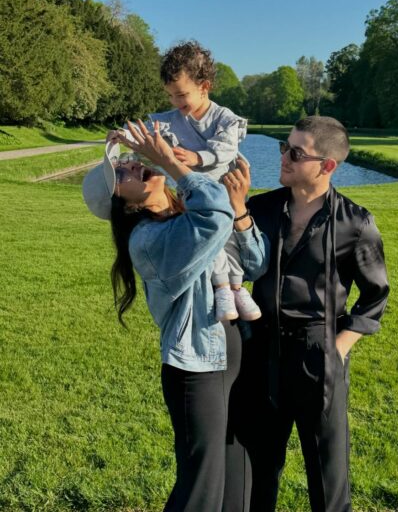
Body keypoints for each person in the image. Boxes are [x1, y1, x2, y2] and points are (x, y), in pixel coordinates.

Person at [81, 119, 268, 512]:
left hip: (232, 351)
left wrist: (240, 210)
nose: (133, 166)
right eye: (121, 174)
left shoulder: (184, 212)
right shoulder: (148, 241)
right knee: (201, 488)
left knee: (235, 469)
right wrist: (169, 161)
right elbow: (212, 216)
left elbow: (253, 265)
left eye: (129, 162)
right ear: (125, 203)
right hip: (197, 368)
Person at [235, 116, 390, 512]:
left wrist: (339, 347)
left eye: (296, 152)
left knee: (327, 471)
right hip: (260, 348)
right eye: (284, 147)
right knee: (257, 467)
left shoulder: (355, 223)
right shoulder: (261, 208)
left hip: (317, 354)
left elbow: (375, 295)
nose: (284, 157)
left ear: (327, 166)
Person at [115, 40, 260, 323]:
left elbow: (227, 149)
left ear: (204, 86)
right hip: (192, 194)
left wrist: (197, 157)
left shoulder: (224, 118)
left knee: (229, 238)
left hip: (223, 189)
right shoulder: (170, 119)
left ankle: (237, 286)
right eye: (170, 95)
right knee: (211, 241)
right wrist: (121, 135)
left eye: (181, 95)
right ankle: (223, 289)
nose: (175, 103)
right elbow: (145, 131)